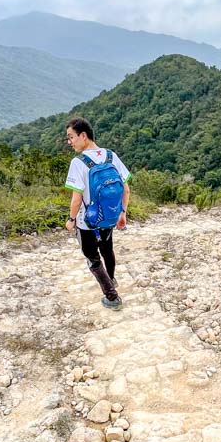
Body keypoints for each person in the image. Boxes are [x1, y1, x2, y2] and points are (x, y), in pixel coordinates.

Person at [63, 117, 131, 309]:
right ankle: (111, 280)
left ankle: (111, 297)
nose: (70, 142)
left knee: (92, 257)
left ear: (83, 135)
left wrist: (71, 220)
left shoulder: (78, 163)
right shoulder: (111, 156)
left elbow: (76, 200)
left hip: (88, 221)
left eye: (71, 137)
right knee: (107, 249)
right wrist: (122, 213)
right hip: (110, 216)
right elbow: (126, 190)